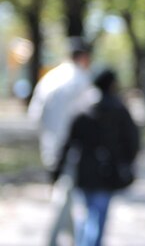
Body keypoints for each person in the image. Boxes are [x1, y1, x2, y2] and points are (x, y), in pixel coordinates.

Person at [52, 68, 140, 246]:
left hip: (84, 173)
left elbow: (68, 143)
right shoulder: (119, 110)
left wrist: (57, 170)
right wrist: (127, 163)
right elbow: (133, 141)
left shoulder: (81, 108)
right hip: (107, 173)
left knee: (84, 215)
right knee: (97, 218)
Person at [28, 37, 98, 246]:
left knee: (64, 194)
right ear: (84, 57)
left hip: (49, 146)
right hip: (72, 149)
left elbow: (34, 114)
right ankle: (53, 240)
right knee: (64, 195)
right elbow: (91, 116)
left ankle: (72, 239)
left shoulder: (49, 78)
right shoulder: (82, 80)